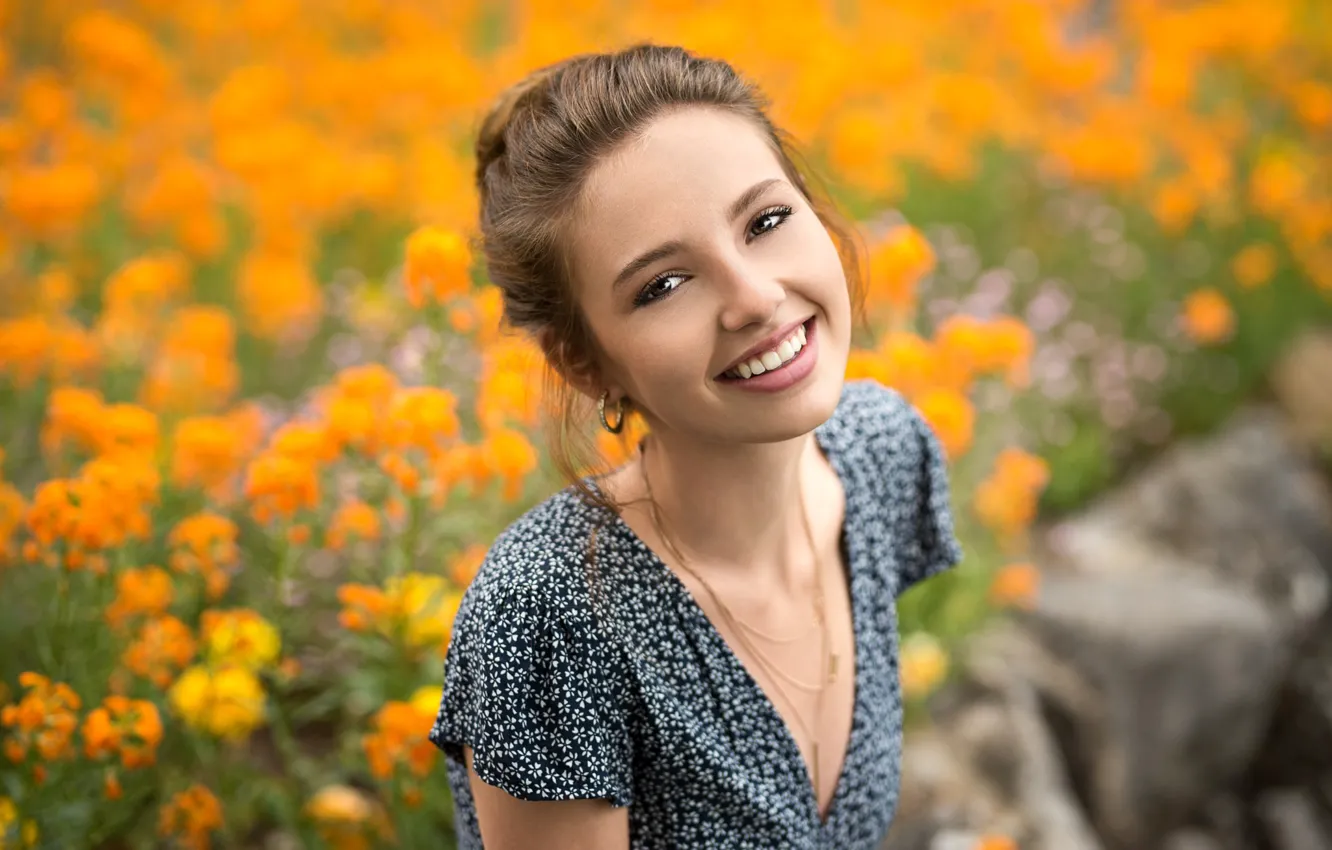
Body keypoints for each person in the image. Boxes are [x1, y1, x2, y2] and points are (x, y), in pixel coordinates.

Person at [427, 43, 963, 850]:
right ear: (585, 361)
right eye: (663, 286)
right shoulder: (551, 612)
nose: (754, 298)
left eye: (766, 221)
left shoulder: (884, 452)